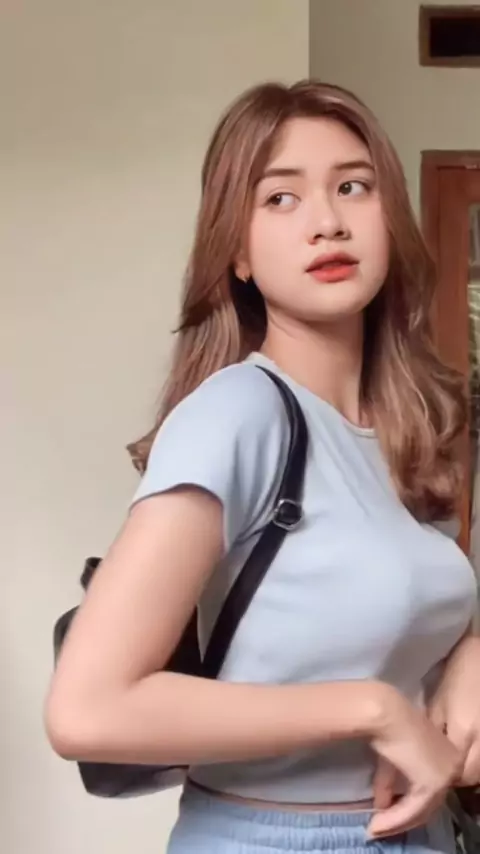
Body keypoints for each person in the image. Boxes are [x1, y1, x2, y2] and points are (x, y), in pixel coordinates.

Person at [45, 80, 480, 854]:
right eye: (281, 198)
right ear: (238, 253)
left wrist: (471, 661)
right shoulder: (239, 412)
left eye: (353, 187)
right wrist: (374, 709)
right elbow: (88, 710)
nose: (327, 222)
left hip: (424, 834)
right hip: (271, 838)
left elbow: (413, 609)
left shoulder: (420, 425)